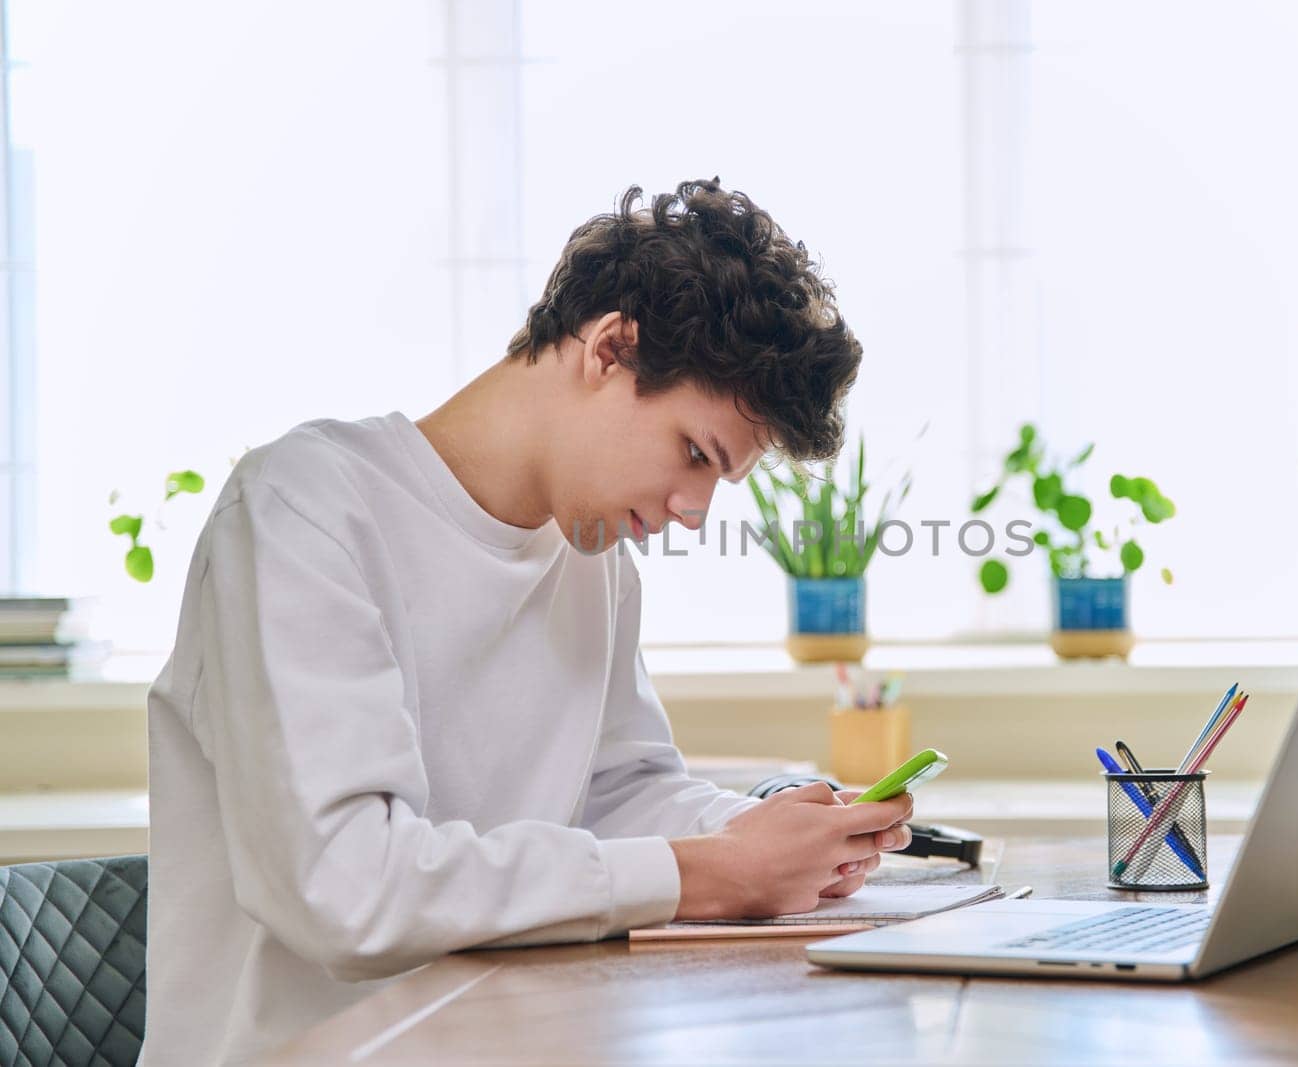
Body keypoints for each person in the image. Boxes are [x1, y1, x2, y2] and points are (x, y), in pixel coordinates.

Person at [141, 178, 913, 1064]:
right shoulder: (303, 511)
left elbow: (614, 795)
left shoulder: (597, 565)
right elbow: (346, 887)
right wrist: (711, 870)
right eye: (693, 453)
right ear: (611, 349)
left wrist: (774, 832)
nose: (694, 510)